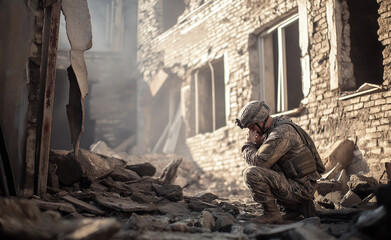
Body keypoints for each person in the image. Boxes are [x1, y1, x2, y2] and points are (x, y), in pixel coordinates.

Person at [236, 101, 325, 223]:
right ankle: (293, 209)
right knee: (266, 169)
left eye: (252, 127)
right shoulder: (276, 127)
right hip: (299, 184)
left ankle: (272, 213)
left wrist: (248, 145)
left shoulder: (281, 133)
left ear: (261, 121)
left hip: (300, 189)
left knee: (251, 173)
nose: (251, 132)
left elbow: (259, 162)